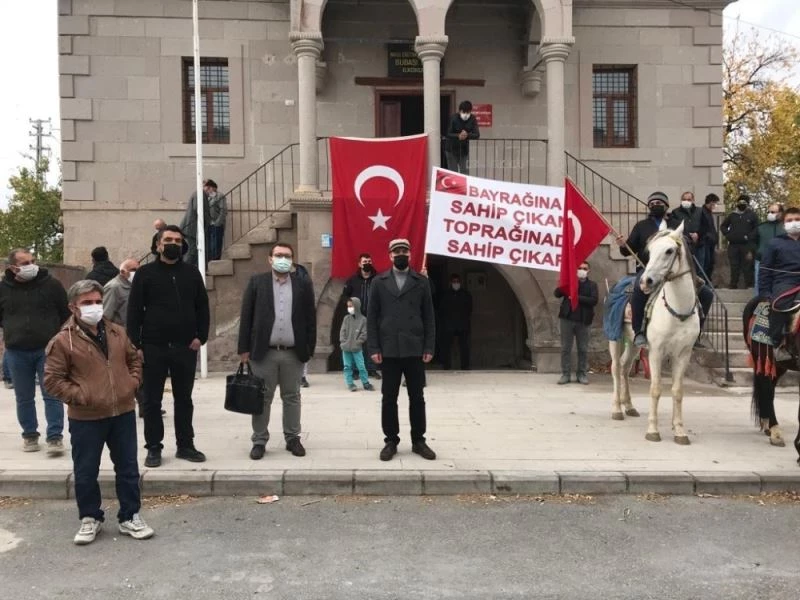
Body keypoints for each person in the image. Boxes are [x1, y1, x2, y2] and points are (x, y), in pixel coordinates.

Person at [44, 280, 154, 545]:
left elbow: (134, 359)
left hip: (122, 412)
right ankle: (90, 518)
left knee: (128, 468)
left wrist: (132, 383)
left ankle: (130, 516)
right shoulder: (63, 340)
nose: (94, 307)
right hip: (86, 418)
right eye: (86, 303)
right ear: (73, 307)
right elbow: (52, 380)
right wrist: (83, 396)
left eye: (96, 301)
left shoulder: (117, 332)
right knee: (85, 471)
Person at [127, 226, 210, 468]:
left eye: (177, 240)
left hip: (185, 347)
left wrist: (200, 337)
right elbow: (134, 312)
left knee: (184, 399)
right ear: (158, 245)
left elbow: (202, 308)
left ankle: (186, 445)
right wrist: (136, 344)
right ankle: (154, 447)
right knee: (152, 401)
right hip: (153, 347)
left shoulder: (192, 274)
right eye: (168, 240)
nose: (173, 243)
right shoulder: (144, 274)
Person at [238, 242, 316, 460]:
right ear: (270, 259)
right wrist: (243, 348)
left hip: (293, 352)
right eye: (279, 255)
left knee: (292, 396)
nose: (283, 259)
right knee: (262, 397)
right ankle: (259, 440)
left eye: (288, 256)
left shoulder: (302, 284)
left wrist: (310, 348)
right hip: (264, 352)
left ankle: (293, 438)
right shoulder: (257, 283)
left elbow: (311, 318)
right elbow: (246, 317)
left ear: (292, 260)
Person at [615, 192, 713, 349]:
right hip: (649, 269)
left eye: (659, 203)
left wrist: (691, 240)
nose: (655, 205)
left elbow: (687, 244)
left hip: (676, 272)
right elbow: (628, 250)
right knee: (638, 291)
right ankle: (639, 331)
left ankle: (696, 334)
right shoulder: (641, 226)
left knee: (707, 294)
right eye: (652, 203)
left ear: (667, 206)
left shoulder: (676, 223)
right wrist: (622, 244)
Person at [367, 238, 436, 462]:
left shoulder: (421, 281)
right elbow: (372, 318)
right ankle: (390, 440)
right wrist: (374, 347)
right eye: (396, 251)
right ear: (389, 255)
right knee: (389, 397)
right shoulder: (379, 282)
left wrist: (429, 346)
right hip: (388, 349)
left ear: (410, 253)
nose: (400, 254)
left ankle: (419, 440)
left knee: (417, 397)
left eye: (404, 250)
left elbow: (429, 316)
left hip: (414, 348)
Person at [0, 249, 70, 454]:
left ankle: (55, 437)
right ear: (13, 267)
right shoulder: (3, 288)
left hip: (47, 349)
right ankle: (30, 435)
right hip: (16, 351)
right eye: (24, 262)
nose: (31, 265)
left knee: (52, 395)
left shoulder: (51, 285)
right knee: (24, 397)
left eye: (32, 260)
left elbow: (65, 312)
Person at [759, 207, 800, 362]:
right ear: (784, 224)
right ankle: (776, 344)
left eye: (797, 219)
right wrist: (764, 293)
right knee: (779, 305)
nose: (794, 223)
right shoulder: (775, 243)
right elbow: (764, 270)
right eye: (790, 220)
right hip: (784, 283)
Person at [555, 261, 599, 385]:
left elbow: (593, 300)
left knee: (583, 349)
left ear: (588, 270)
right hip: (567, 319)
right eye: (579, 268)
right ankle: (565, 374)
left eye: (584, 268)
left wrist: (576, 297)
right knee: (565, 348)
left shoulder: (592, 285)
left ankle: (582, 374)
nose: (582, 270)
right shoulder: (569, 283)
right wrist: (563, 284)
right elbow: (556, 294)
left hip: (584, 321)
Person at [342, 253, 380, 379]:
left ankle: (372, 369)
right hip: (356, 317)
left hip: (373, 316)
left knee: (372, 343)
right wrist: (349, 304)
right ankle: (355, 370)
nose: (367, 263)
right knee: (356, 343)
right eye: (364, 261)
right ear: (359, 264)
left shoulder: (378, 279)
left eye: (369, 261)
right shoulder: (352, 280)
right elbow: (345, 296)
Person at [720, 195, 759, 289]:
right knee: (734, 266)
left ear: (747, 204)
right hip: (733, 245)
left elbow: (757, 228)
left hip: (747, 245)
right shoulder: (732, 215)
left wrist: (749, 237)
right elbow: (723, 226)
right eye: (740, 202)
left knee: (748, 266)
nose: (741, 204)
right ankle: (733, 284)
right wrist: (729, 235)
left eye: (744, 202)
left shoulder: (752, 215)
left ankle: (749, 285)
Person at [339, 297, 375, 392]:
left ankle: (365, 382)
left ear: (356, 306)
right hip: (346, 348)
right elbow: (342, 331)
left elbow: (364, 333)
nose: (349, 308)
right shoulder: (346, 318)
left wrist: (357, 342)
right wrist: (343, 342)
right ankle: (350, 383)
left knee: (361, 366)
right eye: (348, 306)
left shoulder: (363, 320)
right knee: (347, 366)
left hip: (357, 348)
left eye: (351, 306)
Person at [438, 273, 473, 370]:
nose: (456, 284)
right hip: (449, 325)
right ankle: (446, 366)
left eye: (457, 282)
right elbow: (441, 309)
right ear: (450, 283)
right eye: (454, 282)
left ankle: (465, 366)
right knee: (447, 346)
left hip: (463, 324)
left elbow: (469, 309)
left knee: (464, 346)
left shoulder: (466, 294)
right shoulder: (445, 295)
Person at [179, 180, 213, 269]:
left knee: (193, 251)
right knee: (192, 251)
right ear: (208, 188)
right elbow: (199, 210)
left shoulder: (198, 193)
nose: (211, 194)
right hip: (192, 228)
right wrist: (208, 220)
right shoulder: (200, 194)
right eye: (212, 190)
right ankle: (184, 270)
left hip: (191, 227)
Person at [754, 203, 784, 296]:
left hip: (780, 263)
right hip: (762, 261)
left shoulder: (785, 227)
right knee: (760, 286)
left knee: (779, 286)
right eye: (769, 212)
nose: (770, 214)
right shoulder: (761, 227)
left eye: (773, 212)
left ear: (780, 213)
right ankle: (759, 308)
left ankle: (776, 308)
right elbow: (753, 242)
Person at [444, 100, 480, 174]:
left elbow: (477, 134)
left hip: (464, 150)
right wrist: (458, 136)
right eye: (464, 112)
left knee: (465, 172)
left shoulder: (472, 119)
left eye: (468, 112)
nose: (466, 114)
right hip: (451, 149)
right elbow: (448, 133)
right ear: (460, 111)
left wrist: (466, 135)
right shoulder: (453, 118)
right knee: (453, 173)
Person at [696, 193, 720, 283]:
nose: (715, 206)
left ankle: (707, 281)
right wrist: (709, 237)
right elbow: (703, 228)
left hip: (710, 243)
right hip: (705, 243)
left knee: (710, 263)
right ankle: (704, 283)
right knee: (705, 264)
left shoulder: (709, 213)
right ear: (710, 203)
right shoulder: (702, 212)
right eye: (715, 203)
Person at [207, 180, 227, 261]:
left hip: (216, 223)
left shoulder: (219, 196)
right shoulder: (207, 197)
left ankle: (215, 261)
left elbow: (223, 210)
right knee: (209, 245)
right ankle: (209, 262)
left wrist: (218, 223)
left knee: (216, 244)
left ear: (211, 187)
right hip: (209, 223)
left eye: (207, 188)